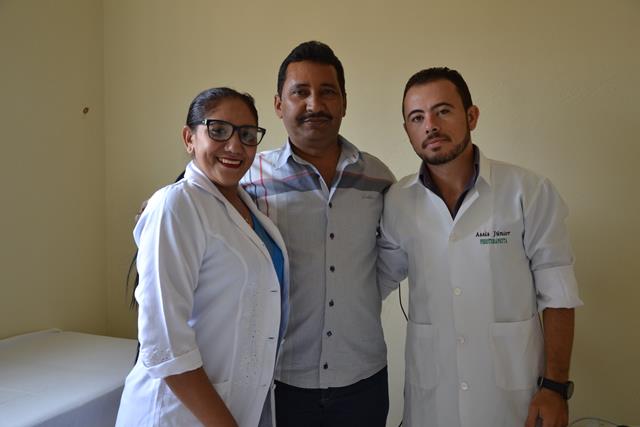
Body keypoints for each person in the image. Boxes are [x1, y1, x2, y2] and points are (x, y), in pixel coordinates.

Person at [377, 67, 583, 427]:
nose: (430, 126)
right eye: (417, 117)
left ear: (471, 116)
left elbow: (559, 295)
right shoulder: (398, 201)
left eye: (443, 111)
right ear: (407, 130)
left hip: (513, 399)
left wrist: (554, 387)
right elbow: (376, 281)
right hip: (432, 402)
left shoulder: (527, 191)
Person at [241, 41, 395, 427]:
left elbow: (391, 259)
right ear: (279, 104)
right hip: (279, 378)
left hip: (363, 378)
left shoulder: (378, 177)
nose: (315, 104)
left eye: (328, 91)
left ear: (344, 103)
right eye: (300, 92)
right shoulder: (249, 179)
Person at [116, 87, 289, 427]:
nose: (235, 146)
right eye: (218, 130)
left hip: (233, 408)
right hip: (177, 415)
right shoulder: (175, 205)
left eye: (247, 135)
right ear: (189, 138)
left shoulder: (250, 209)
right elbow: (165, 345)